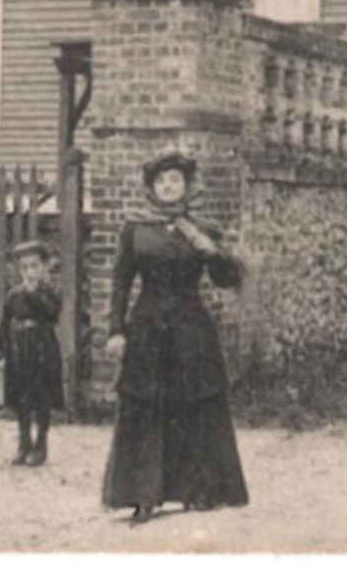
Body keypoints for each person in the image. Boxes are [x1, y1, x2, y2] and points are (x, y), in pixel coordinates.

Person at [102, 153, 249, 524]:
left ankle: (199, 490)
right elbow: (120, 283)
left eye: (175, 180)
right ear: (151, 189)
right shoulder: (135, 229)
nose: (168, 187)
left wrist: (211, 250)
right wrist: (116, 330)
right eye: (161, 182)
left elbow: (229, 279)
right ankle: (142, 494)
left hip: (191, 328)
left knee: (194, 405)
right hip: (147, 327)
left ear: (187, 186)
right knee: (144, 405)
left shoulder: (202, 228)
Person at [0, 240, 64, 466]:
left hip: (42, 347)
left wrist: (34, 293)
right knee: (22, 397)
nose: (30, 272)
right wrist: (3, 353)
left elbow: (51, 313)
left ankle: (41, 443)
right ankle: (24, 442)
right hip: (19, 348)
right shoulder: (13, 293)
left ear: (45, 267)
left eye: (35, 267)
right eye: (25, 268)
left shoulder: (50, 292)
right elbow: (5, 324)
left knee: (41, 396)